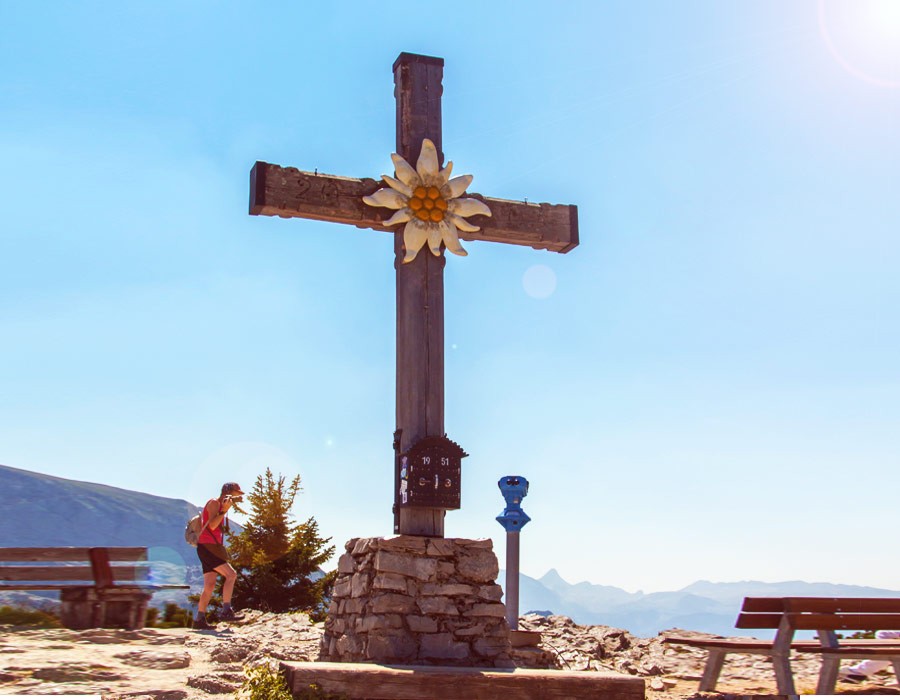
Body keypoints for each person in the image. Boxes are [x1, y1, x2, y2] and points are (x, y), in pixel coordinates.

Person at [194, 482, 246, 630]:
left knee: (209, 585)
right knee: (231, 575)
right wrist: (224, 510)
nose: (237, 497)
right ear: (228, 492)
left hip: (209, 547)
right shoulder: (214, 503)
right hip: (208, 546)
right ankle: (226, 611)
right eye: (236, 494)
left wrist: (225, 510)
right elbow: (211, 526)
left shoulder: (219, 505)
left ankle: (200, 619)